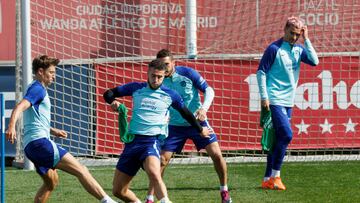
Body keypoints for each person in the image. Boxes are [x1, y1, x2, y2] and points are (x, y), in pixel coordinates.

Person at [5, 55, 117, 203]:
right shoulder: (38, 89)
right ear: (40, 71)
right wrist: (11, 126)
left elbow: (34, 118)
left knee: (51, 182)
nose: (54, 76)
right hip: (40, 144)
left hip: (30, 147)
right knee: (81, 170)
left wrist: (52, 130)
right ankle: (108, 201)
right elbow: (19, 107)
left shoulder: (33, 87)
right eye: (51, 72)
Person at [103, 59, 210, 203]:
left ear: (164, 75)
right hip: (132, 143)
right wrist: (113, 101)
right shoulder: (136, 88)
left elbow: (186, 114)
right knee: (118, 191)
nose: (156, 79)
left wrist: (200, 129)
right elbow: (108, 93)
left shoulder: (170, 95)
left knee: (154, 172)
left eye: (159, 77)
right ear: (148, 73)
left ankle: (165, 201)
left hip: (151, 142)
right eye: (153, 76)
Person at [145, 49, 232, 203]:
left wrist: (204, 109)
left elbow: (209, 90)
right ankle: (150, 198)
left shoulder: (188, 73)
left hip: (197, 122)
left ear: (173, 63)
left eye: (167, 64)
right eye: (161, 65)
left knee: (217, 155)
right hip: (174, 126)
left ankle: (224, 191)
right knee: (161, 161)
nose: (164, 68)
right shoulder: (157, 79)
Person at [256, 16, 319, 190]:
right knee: (287, 135)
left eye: (297, 35)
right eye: (291, 33)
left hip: (289, 101)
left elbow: (315, 61)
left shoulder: (299, 49)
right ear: (284, 30)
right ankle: (276, 176)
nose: (294, 37)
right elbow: (261, 73)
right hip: (274, 99)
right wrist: (264, 97)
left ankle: (267, 179)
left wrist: (307, 39)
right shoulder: (274, 49)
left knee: (277, 139)